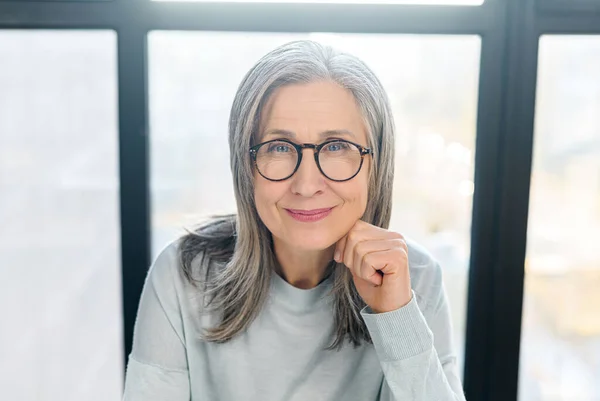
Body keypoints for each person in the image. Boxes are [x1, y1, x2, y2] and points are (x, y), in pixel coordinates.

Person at [123, 40, 466, 401]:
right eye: (279, 147)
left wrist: (397, 317)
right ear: (246, 167)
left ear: (375, 165)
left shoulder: (416, 280)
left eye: (336, 146)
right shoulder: (184, 275)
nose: (306, 185)